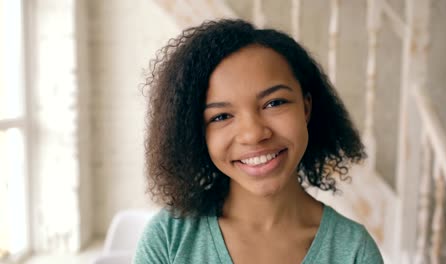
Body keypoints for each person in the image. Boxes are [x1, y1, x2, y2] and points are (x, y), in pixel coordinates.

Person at [134, 19, 383, 264]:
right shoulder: (168, 240)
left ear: (306, 108)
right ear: (196, 133)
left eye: (274, 103)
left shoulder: (354, 252)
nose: (253, 134)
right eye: (221, 116)